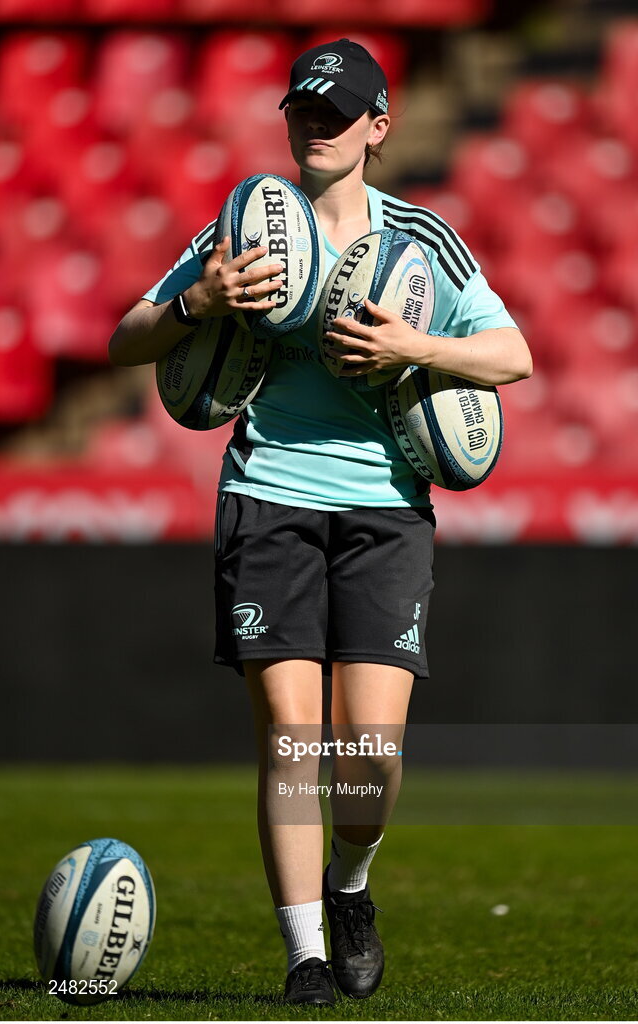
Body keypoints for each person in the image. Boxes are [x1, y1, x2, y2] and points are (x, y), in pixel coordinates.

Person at [109, 38, 532, 1006]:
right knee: (296, 740)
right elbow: (125, 335)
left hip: (386, 511)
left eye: (338, 114)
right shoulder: (245, 224)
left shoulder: (420, 240)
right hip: (269, 499)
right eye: (303, 110)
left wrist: (409, 346)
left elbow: (512, 356)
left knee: (366, 760)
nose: (317, 127)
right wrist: (199, 299)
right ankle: (303, 955)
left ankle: (350, 888)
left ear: (378, 128)